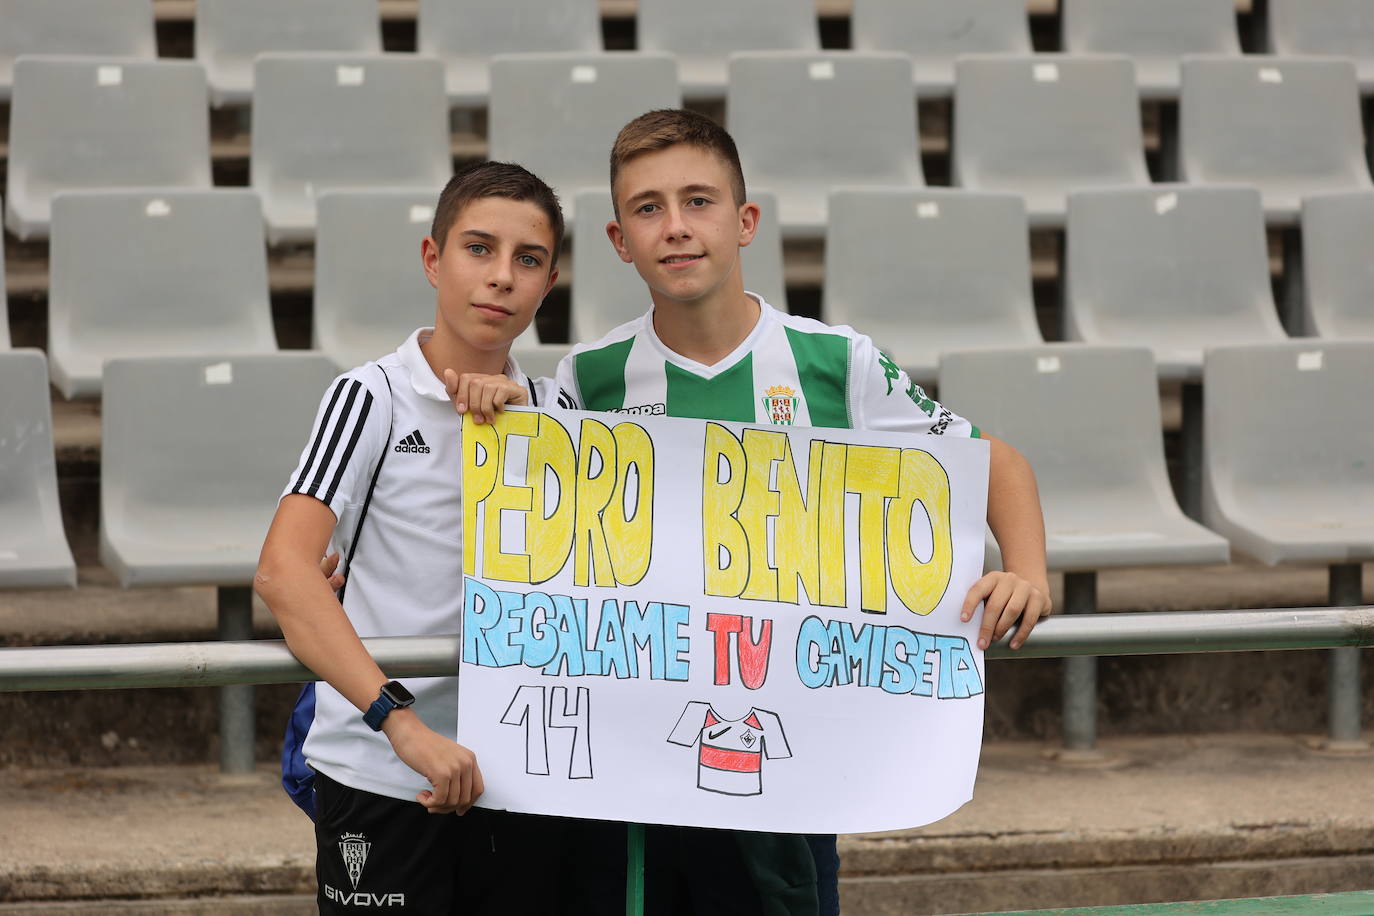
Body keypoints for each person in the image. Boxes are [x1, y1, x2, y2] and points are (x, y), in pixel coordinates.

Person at [552, 109, 1055, 915]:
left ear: (745, 220)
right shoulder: (590, 375)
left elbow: (995, 463)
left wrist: (1028, 570)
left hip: (786, 775)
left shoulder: (835, 361)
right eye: (648, 209)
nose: (676, 228)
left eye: (698, 201)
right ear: (619, 240)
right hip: (634, 768)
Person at [254, 161, 567, 914]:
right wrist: (402, 725)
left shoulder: (562, 408)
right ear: (434, 259)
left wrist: (532, 423)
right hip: (384, 775)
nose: (500, 277)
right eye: (478, 249)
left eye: (528, 261)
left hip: (526, 780)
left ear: (550, 284)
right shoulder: (371, 397)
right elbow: (284, 572)